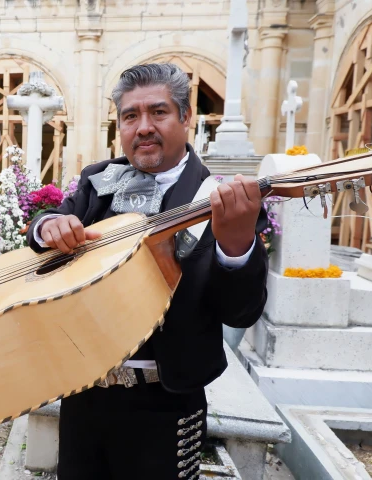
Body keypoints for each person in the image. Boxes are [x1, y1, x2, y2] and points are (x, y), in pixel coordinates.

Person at [26, 63, 269, 479]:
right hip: (84, 394)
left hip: (167, 401)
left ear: (186, 118)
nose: (143, 127)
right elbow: (43, 231)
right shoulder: (97, 180)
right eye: (130, 116)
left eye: (158, 112)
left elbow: (240, 313)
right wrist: (48, 226)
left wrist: (235, 244)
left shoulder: (221, 198)